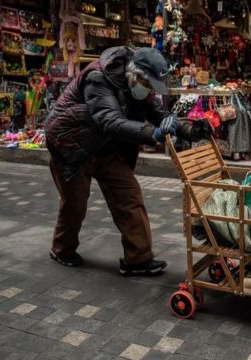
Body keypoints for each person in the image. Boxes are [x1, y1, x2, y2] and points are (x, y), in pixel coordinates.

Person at [45, 46, 212, 275]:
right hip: (73, 146)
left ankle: (138, 259)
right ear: (135, 75)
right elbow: (109, 120)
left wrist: (192, 131)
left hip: (108, 148)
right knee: (74, 204)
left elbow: (163, 117)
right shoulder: (97, 77)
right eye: (150, 85)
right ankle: (61, 249)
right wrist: (151, 133)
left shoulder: (142, 88)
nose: (153, 92)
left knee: (130, 198)